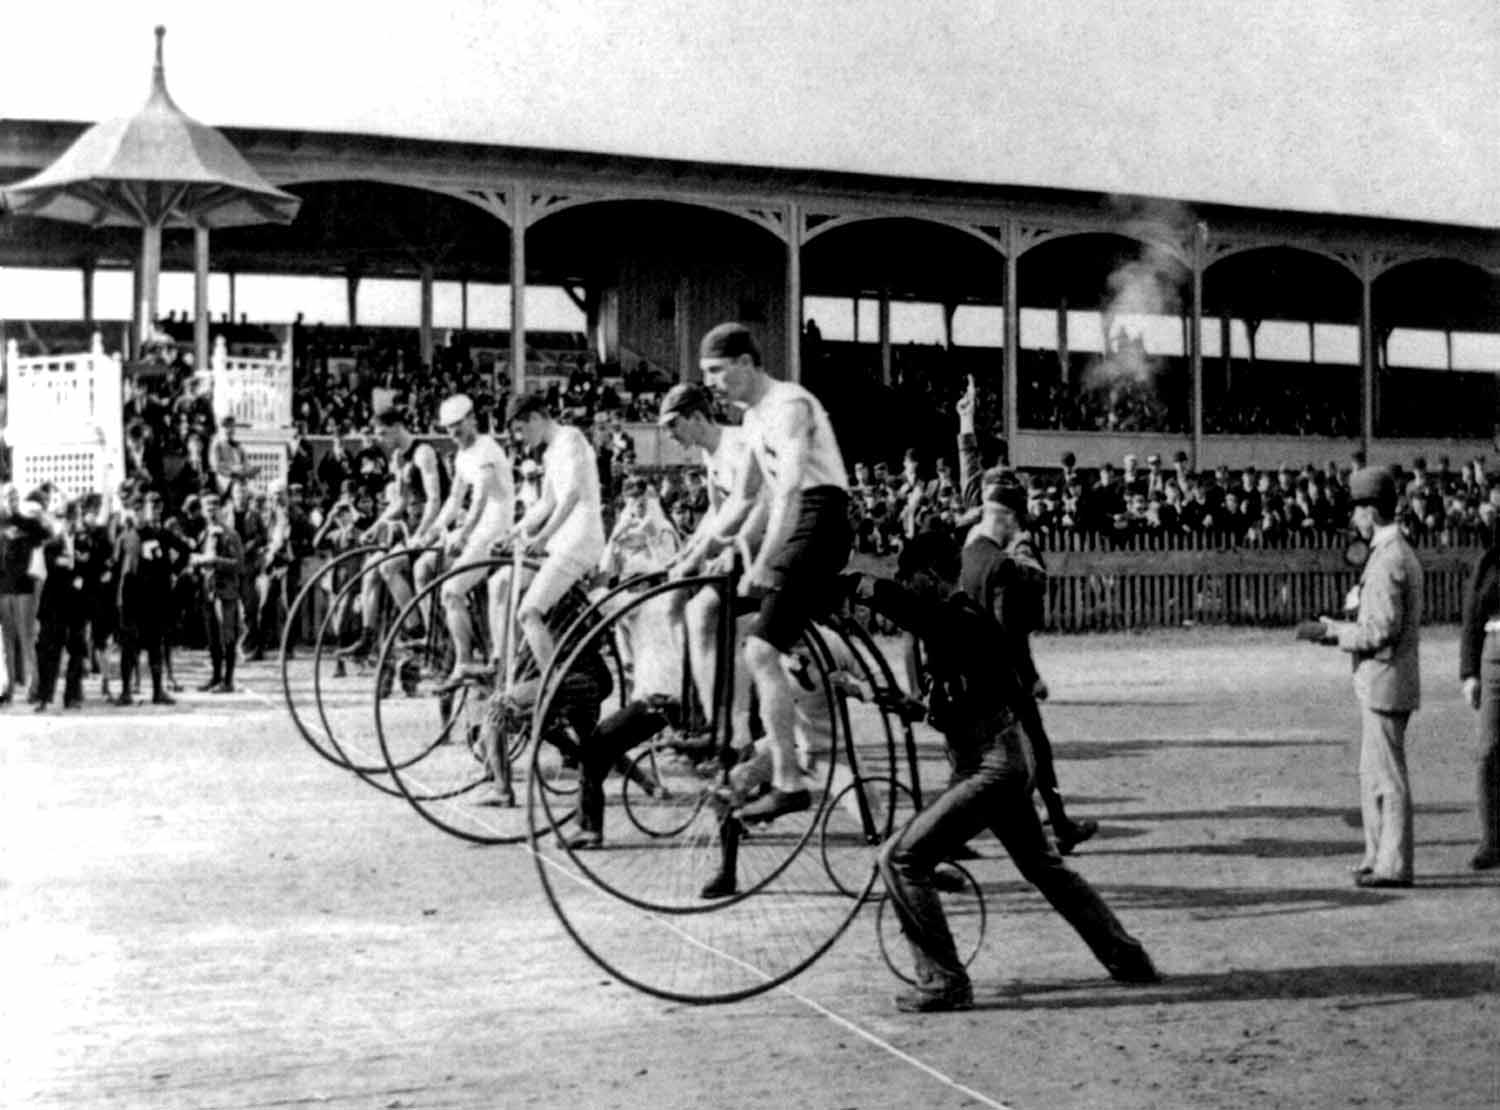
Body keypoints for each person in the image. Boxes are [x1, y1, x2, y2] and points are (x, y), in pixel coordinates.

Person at [848, 530, 1158, 1012]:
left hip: (990, 765)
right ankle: (1125, 955)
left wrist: (850, 584)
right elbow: (945, 704)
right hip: (1003, 760)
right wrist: (874, 695)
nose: (906, 587)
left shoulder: (956, 616)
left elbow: (906, 609)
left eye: (909, 578)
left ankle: (944, 980)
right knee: (1043, 868)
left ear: (928, 574)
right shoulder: (958, 622)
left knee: (901, 859)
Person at [700, 321, 852, 824]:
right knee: (754, 639)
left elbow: (786, 491)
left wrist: (764, 561)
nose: (713, 383)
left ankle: (788, 781)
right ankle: (759, 747)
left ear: (746, 363)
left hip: (821, 518)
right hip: (800, 521)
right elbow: (743, 498)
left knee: (761, 649)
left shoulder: (788, 405)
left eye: (719, 371)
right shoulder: (750, 420)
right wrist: (695, 551)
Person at [956, 378, 1097, 853]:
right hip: (1004, 662)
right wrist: (1029, 674)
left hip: (973, 657)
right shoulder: (1011, 551)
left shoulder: (977, 538)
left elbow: (972, 485)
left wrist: (966, 426)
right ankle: (1052, 827)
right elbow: (1015, 625)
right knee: (1026, 746)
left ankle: (1053, 825)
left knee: (988, 753)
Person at [1319, 466, 1424, 888]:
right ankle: (1376, 853)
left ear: (1372, 511)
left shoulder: (1388, 560)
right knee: (1372, 773)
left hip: (1385, 677)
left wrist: (1333, 633)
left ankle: (1393, 864)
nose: (1353, 519)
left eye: (1357, 509)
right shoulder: (1393, 553)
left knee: (1387, 776)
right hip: (1385, 677)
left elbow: (1380, 631)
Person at [408, 394, 513, 684]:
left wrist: (463, 535)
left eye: (457, 426)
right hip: (476, 530)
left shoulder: (486, 449)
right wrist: (429, 534)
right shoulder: (462, 456)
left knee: (451, 591)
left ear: (471, 420)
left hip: (495, 530)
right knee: (425, 567)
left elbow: (480, 497)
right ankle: (441, 638)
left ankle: (464, 660)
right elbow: (454, 500)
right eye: (448, 428)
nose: (453, 433)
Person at [502, 394, 605, 677]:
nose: (522, 438)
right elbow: (546, 503)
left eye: (522, 429)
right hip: (564, 541)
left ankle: (554, 688)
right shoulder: (549, 452)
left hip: (580, 538)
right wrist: (514, 531)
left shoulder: (571, 438)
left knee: (528, 613)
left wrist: (544, 536)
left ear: (536, 417)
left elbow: (571, 495)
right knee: (513, 590)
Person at [114, 491, 190, 706]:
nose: (142, 513)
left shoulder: (162, 534)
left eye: (148, 508)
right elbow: (117, 566)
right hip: (131, 598)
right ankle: (126, 691)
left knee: (155, 644)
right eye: (138, 509)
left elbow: (184, 551)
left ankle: (157, 691)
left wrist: (173, 572)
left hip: (155, 598)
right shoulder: (127, 535)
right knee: (129, 646)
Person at [1457, 525, 1500, 870]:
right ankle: (1492, 840)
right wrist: (1469, 672)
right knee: (1487, 750)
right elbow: (1473, 615)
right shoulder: (1490, 560)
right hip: (1494, 655)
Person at [33, 501, 97, 712]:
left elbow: (87, 566)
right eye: (65, 518)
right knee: (49, 652)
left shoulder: (84, 541)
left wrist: (77, 568)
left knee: (77, 651)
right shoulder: (52, 543)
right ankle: (44, 697)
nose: (70, 523)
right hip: (54, 606)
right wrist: (74, 565)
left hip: (76, 605)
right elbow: (55, 566)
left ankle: (72, 695)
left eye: (73, 518)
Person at [0, 485, 50, 705]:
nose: (10, 500)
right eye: (6, 496)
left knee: (26, 637)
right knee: (7, 640)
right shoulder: (1, 524)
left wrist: (20, 516)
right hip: (4, 587)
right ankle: (9, 687)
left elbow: (44, 534)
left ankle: (35, 686)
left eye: (14, 496)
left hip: (24, 586)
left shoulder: (28, 522)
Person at [193, 494, 246, 693]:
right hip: (208, 591)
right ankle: (216, 676)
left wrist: (215, 560)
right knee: (212, 638)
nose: (211, 511)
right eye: (208, 507)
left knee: (227, 636)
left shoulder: (230, 534)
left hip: (226, 593)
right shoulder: (204, 534)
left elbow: (239, 565)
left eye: (215, 507)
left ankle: (228, 679)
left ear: (221, 510)